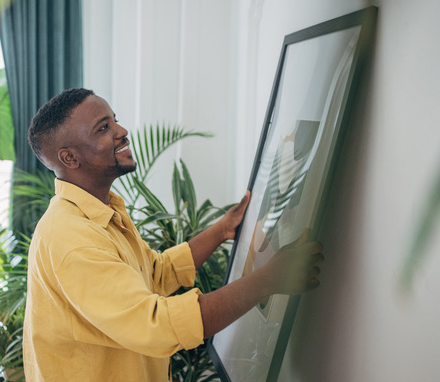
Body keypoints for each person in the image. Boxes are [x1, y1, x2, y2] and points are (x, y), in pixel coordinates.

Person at [23, 88, 324, 381]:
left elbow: (155, 273)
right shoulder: (72, 240)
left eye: (115, 119)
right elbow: (157, 325)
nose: (122, 130)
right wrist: (269, 279)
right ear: (69, 158)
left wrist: (222, 230)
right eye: (104, 128)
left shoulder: (103, 211)